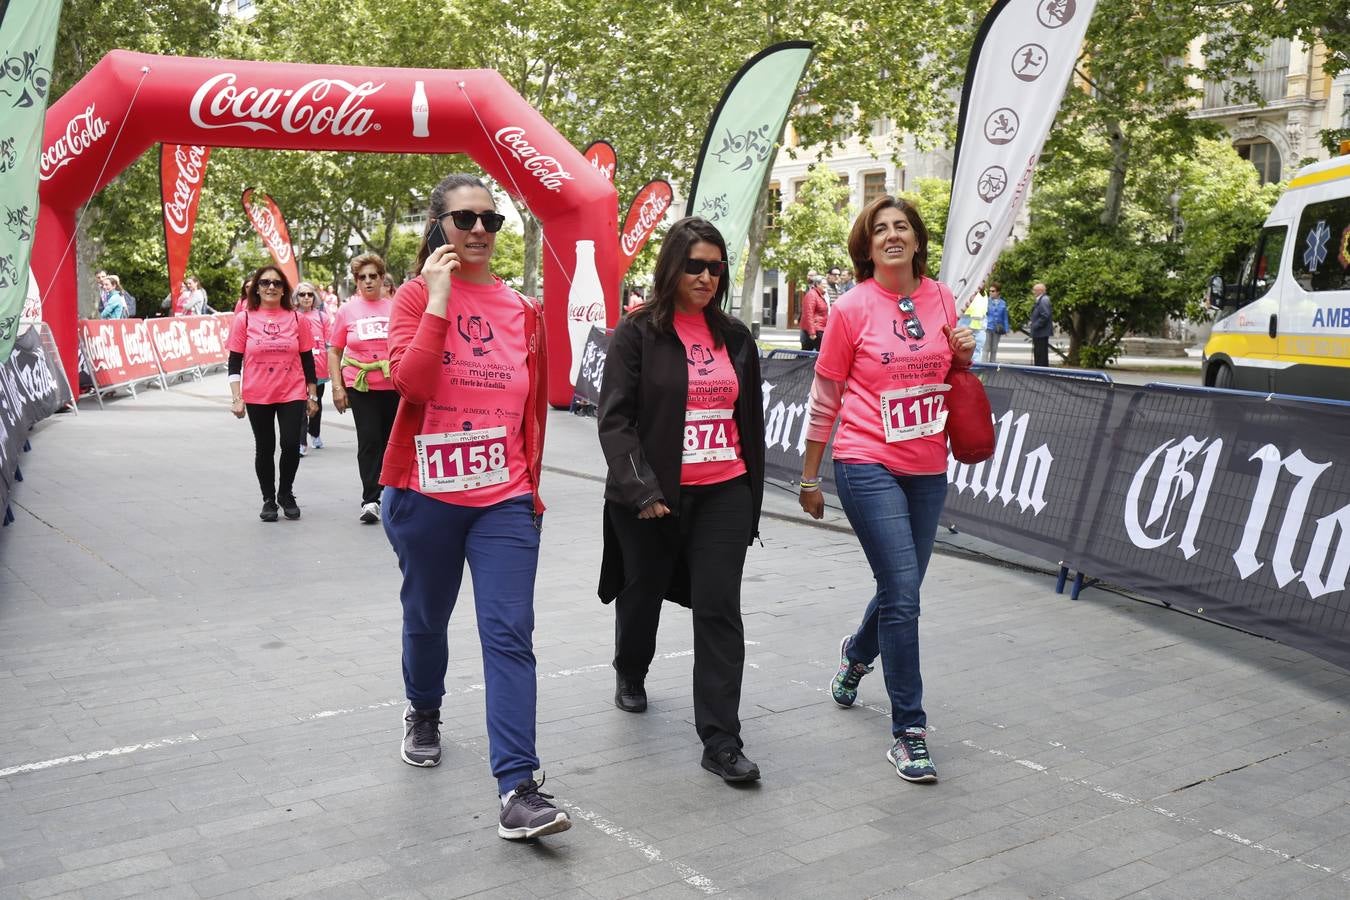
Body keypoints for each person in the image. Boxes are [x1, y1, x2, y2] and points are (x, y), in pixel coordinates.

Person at [379, 172, 570, 840]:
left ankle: (518, 787)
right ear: (440, 227)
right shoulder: (409, 297)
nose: (481, 232)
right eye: (465, 221)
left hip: (504, 500)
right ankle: (423, 708)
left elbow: (531, 413)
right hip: (426, 494)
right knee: (427, 618)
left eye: (492, 221)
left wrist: (531, 489)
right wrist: (436, 299)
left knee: (509, 633)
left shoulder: (523, 310)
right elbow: (412, 382)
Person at [797, 195, 975, 784]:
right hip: (865, 459)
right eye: (881, 230)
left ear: (918, 240)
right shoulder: (850, 309)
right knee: (903, 590)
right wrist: (809, 476)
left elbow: (947, 377)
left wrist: (964, 357)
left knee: (903, 588)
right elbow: (825, 399)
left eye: (902, 227)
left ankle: (855, 655)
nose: (893, 236)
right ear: (867, 245)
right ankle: (909, 731)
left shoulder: (944, 298)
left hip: (927, 463)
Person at [597, 216, 766, 784]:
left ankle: (720, 740)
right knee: (641, 593)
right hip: (653, 499)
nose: (706, 276)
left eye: (716, 267)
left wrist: (750, 494)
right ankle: (631, 668)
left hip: (724, 491)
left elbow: (749, 422)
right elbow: (615, 420)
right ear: (672, 265)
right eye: (695, 265)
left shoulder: (737, 337)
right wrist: (641, 489)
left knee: (719, 610)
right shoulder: (638, 331)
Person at [226, 266, 319, 522]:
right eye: (265, 282)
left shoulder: (298, 319)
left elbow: (307, 359)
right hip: (257, 394)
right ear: (256, 287)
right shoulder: (243, 319)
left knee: (290, 445)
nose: (271, 287)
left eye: (277, 283)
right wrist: (237, 398)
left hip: (292, 392)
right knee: (265, 448)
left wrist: (313, 395)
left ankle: (286, 493)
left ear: (284, 289)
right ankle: (268, 499)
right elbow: (234, 363)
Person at [329, 253, 399, 524]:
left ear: (383, 278)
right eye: (362, 277)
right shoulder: (347, 310)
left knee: (392, 441)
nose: (368, 282)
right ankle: (371, 498)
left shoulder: (396, 307)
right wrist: (337, 387)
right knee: (369, 440)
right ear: (356, 281)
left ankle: (393, 494)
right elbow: (334, 351)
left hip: (394, 386)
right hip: (361, 386)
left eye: (373, 276)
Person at [295, 283, 331, 454]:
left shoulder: (322, 317)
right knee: (301, 405)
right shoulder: (292, 316)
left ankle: (314, 432)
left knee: (316, 401)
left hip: (319, 368)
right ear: (297, 297)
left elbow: (329, 344)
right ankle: (301, 442)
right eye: (302, 294)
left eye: (310, 294)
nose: (306, 297)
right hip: (299, 370)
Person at [800, 274, 830, 351]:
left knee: (806, 353)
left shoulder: (820, 295)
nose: (826, 286)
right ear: (817, 284)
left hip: (819, 328)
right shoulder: (812, 295)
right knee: (821, 352)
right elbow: (808, 314)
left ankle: (797, 363)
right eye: (824, 284)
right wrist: (812, 332)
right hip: (816, 330)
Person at [959, 286, 988, 363]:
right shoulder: (967, 295)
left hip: (978, 328)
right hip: (968, 325)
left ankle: (975, 370)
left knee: (977, 351)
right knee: (964, 349)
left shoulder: (983, 295)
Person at [1029, 282, 1053, 367]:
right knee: (1038, 352)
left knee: (1041, 352)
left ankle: (1041, 370)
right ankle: (1039, 368)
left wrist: (1035, 325)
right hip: (1040, 332)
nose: (1033, 292)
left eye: (1034, 290)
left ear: (1040, 291)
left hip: (1041, 332)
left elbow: (1045, 315)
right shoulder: (1041, 299)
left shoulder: (1044, 300)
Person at [984, 283, 1009, 362]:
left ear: (998, 292)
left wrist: (1006, 329)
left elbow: (1005, 317)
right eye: (990, 291)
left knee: (994, 349)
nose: (990, 292)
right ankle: (983, 366)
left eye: (993, 291)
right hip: (988, 327)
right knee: (986, 348)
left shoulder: (1003, 303)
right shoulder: (986, 302)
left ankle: (992, 367)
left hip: (997, 328)